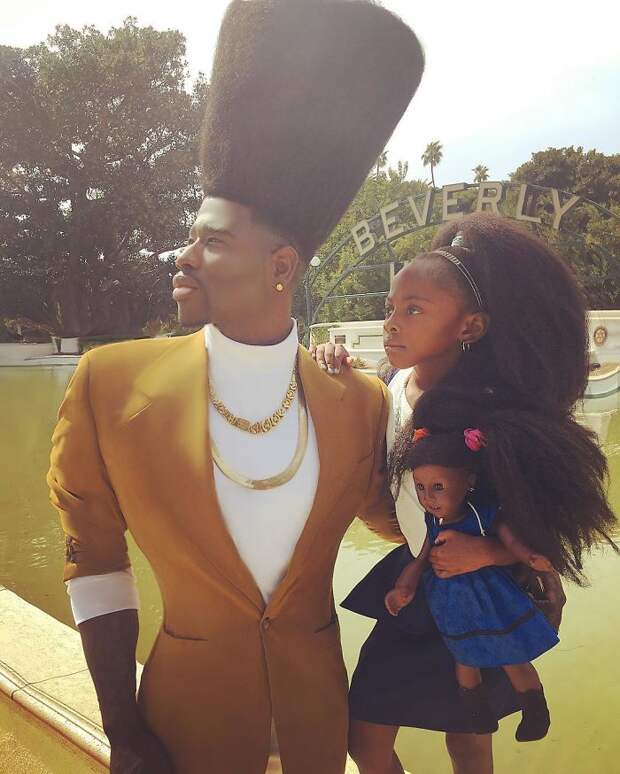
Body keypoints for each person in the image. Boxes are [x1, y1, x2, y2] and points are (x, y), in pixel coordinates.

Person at [46, 2, 425, 773]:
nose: (183, 257)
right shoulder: (109, 386)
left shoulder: (361, 402)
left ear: (280, 267)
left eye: (212, 241)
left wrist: (509, 546)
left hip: (318, 722)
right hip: (184, 724)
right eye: (190, 237)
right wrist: (122, 730)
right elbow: (97, 563)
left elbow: (400, 523)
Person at [312, 211, 615, 774]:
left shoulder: (493, 413)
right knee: (365, 737)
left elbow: (537, 520)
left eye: (414, 310)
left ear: (469, 327)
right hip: (413, 583)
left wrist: (491, 552)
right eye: (390, 309)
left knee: (469, 742)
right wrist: (333, 365)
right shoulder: (390, 387)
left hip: (478, 588)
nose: (391, 324)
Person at [382, 386, 615, 746]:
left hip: (492, 599)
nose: (428, 498)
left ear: (469, 480)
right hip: (452, 603)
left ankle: (534, 710)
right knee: (463, 659)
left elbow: (514, 543)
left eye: (438, 487)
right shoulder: (433, 522)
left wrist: (534, 559)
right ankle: (477, 714)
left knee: (512, 657)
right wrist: (405, 584)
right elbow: (423, 553)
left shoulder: (484, 514)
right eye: (421, 488)